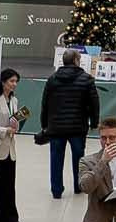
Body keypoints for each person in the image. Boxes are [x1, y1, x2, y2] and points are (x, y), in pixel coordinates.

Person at [38, 49, 99, 199]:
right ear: (77, 61)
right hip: (78, 128)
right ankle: (79, 187)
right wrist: (94, 122)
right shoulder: (87, 79)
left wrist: (44, 124)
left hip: (56, 127)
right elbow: (94, 103)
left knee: (56, 158)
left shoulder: (52, 79)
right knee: (79, 159)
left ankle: (56, 190)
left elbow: (45, 103)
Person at [0, 68, 26, 222]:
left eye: (16, 82)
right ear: (3, 82)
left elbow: (14, 122)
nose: (14, 84)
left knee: (8, 186)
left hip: (9, 148)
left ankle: (10, 219)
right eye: (11, 81)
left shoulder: (14, 100)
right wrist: (5, 130)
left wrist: (16, 125)